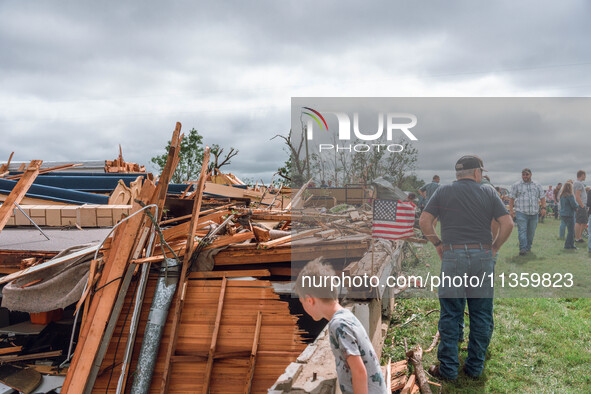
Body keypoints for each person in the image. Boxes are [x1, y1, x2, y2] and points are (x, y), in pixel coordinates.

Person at [419, 155, 513, 380]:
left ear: (458, 174)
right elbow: (507, 223)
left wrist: (438, 244)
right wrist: (494, 247)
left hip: (453, 255)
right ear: (477, 173)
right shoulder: (488, 191)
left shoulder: (442, 191)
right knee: (481, 313)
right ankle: (474, 367)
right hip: (482, 254)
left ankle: (448, 369)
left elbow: (424, 221)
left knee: (451, 312)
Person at [295, 258, 387, 393]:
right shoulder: (345, 316)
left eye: (301, 301)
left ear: (310, 300)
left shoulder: (339, 325)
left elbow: (359, 372)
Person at [509, 168, 546, 256]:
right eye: (523, 175)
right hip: (521, 212)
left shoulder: (537, 185)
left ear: (531, 175)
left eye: (526, 174)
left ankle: (528, 247)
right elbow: (511, 198)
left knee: (531, 232)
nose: (525, 176)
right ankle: (523, 248)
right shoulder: (516, 185)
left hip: (534, 213)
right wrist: (511, 210)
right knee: (522, 230)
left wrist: (543, 208)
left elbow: (542, 197)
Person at [558, 182, 578, 249]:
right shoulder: (570, 195)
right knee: (571, 231)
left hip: (563, 214)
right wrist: (578, 206)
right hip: (569, 214)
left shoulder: (562, 195)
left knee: (570, 230)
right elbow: (574, 205)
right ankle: (567, 245)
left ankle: (572, 245)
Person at [573, 170, 587, 243]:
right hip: (581, 205)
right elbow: (577, 196)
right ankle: (577, 238)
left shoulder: (578, 183)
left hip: (581, 205)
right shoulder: (578, 183)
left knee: (583, 222)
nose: (585, 177)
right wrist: (582, 205)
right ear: (582, 175)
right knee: (579, 222)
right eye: (585, 175)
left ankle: (579, 237)